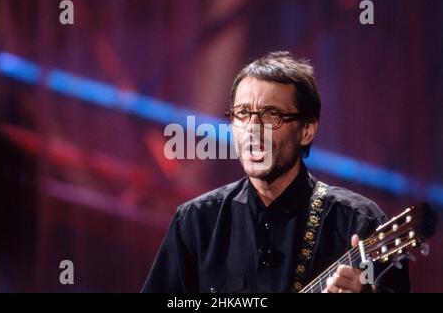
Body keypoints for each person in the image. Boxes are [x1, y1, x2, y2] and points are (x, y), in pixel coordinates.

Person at [142, 51, 410, 293]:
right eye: (242, 113)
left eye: (271, 115)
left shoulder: (359, 223)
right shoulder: (196, 222)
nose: (253, 127)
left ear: (306, 130)